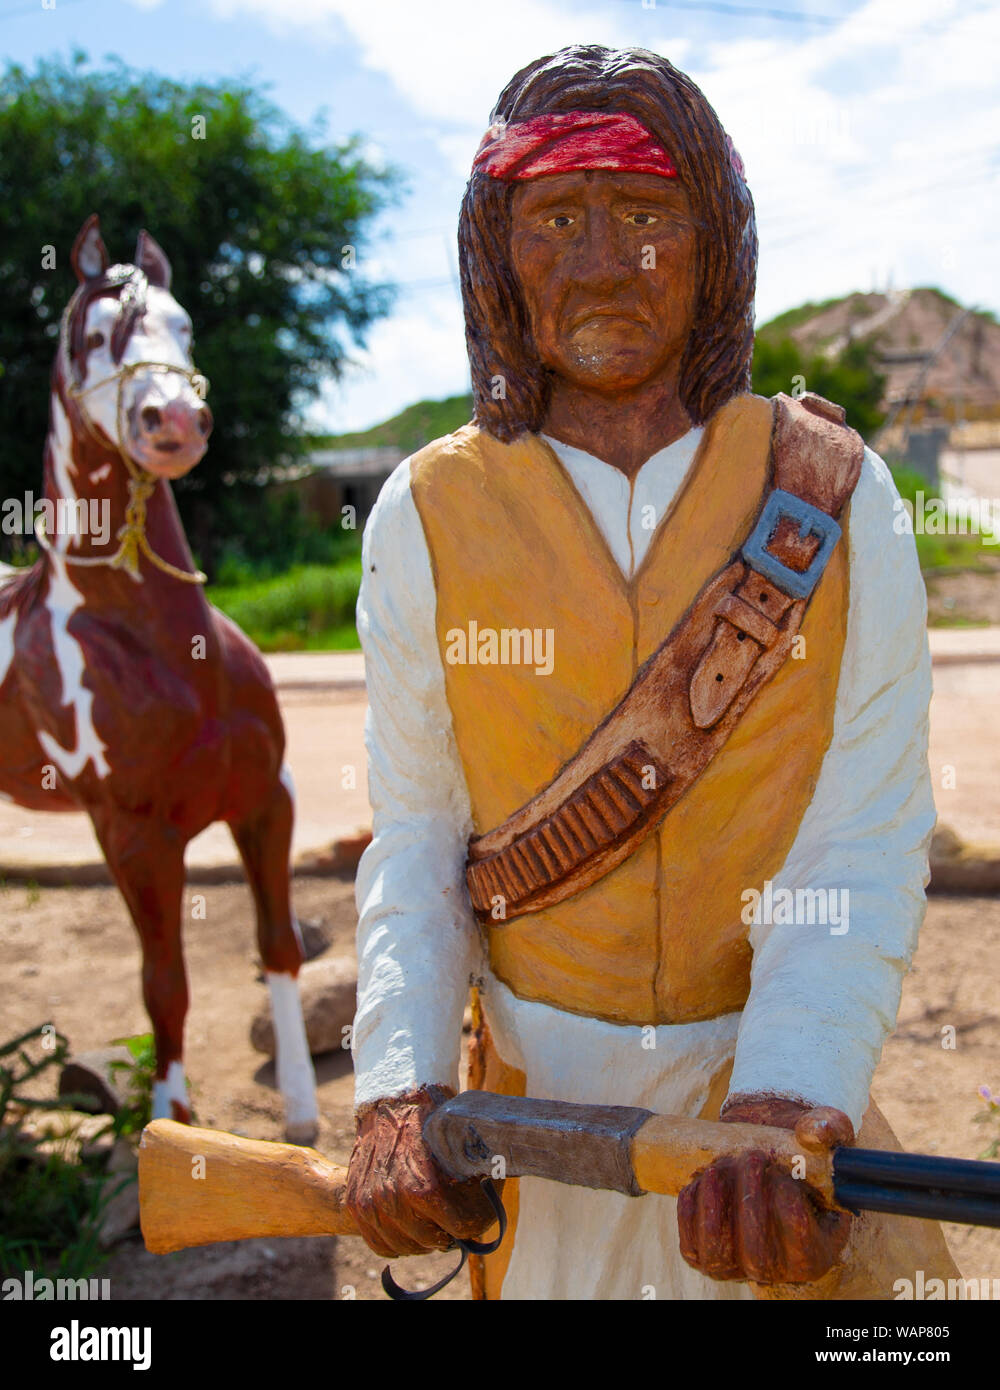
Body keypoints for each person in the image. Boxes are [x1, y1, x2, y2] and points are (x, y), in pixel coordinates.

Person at [344, 44, 960, 1299]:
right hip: (527, 1121)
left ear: (714, 236)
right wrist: (402, 1085)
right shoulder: (423, 513)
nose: (603, 261)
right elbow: (415, 838)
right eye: (556, 217)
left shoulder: (838, 498)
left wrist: (789, 1090)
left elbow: (864, 831)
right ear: (495, 251)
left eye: (646, 214)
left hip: (766, 1124)